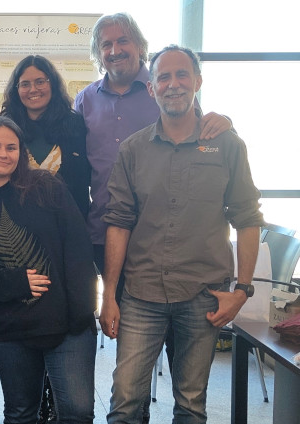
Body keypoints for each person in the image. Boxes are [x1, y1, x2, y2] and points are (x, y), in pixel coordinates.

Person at [74, 15, 232, 420]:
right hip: (107, 234)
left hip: (169, 241)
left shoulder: (163, 85)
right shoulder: (85, 100)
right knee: (131, 361)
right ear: (98, 53)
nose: (115, 50)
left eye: (123, 41)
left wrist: (225, 120)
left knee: (184, 355)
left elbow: (201, 131)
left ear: (139, 46)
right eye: (106, 44)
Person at [101, 45, 263, 424]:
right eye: (163, 77)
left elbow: (248, 218)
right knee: (124, 404)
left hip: (203, 293)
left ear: (197, 82)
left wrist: (242, 290)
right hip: (142, 293)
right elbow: (119, 223)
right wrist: (108, 295)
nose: (173, 84)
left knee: (191, 406)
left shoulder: (227, 145)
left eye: (182, 75)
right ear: (151, 88)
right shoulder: (133, 149)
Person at [0, 116, 97, 424]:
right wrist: (14, 283)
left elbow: (78, 250)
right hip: (9, 329)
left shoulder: (46, 187)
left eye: (11, 147)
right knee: (20, 414)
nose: (3, 154)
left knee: (78, 412)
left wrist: (82, 314)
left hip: (67, 324)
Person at [0, 54, 90, 218]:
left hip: (69, 221)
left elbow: (84, 179)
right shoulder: (6, 128)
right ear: (16, 89)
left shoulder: (75, 124)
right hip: (15, 223)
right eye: (25, 84)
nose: (33, 89)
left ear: (53, 84)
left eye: (40, 82)